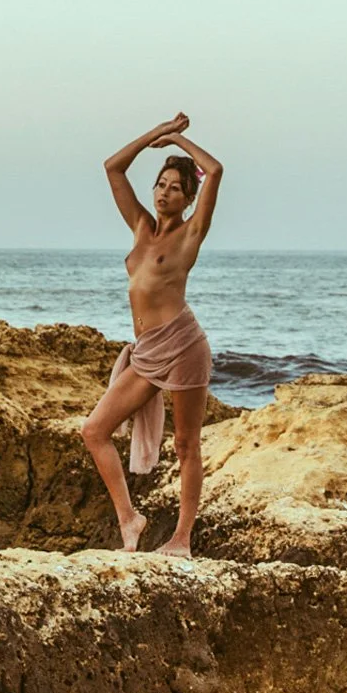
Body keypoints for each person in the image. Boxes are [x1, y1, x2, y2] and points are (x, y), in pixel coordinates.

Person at [82, 113, 222, 558]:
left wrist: (178, 138)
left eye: (176, 188)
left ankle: (181, 539)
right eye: (161, 184)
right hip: (145, 351)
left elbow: (215, 170)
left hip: (183, 346)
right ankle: (130, 518)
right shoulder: (141, 227)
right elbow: (112, 167)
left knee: (185, 444)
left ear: (187, 198)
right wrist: (153, 136)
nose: (165, 192)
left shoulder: (190, 235)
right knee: (94, 430)